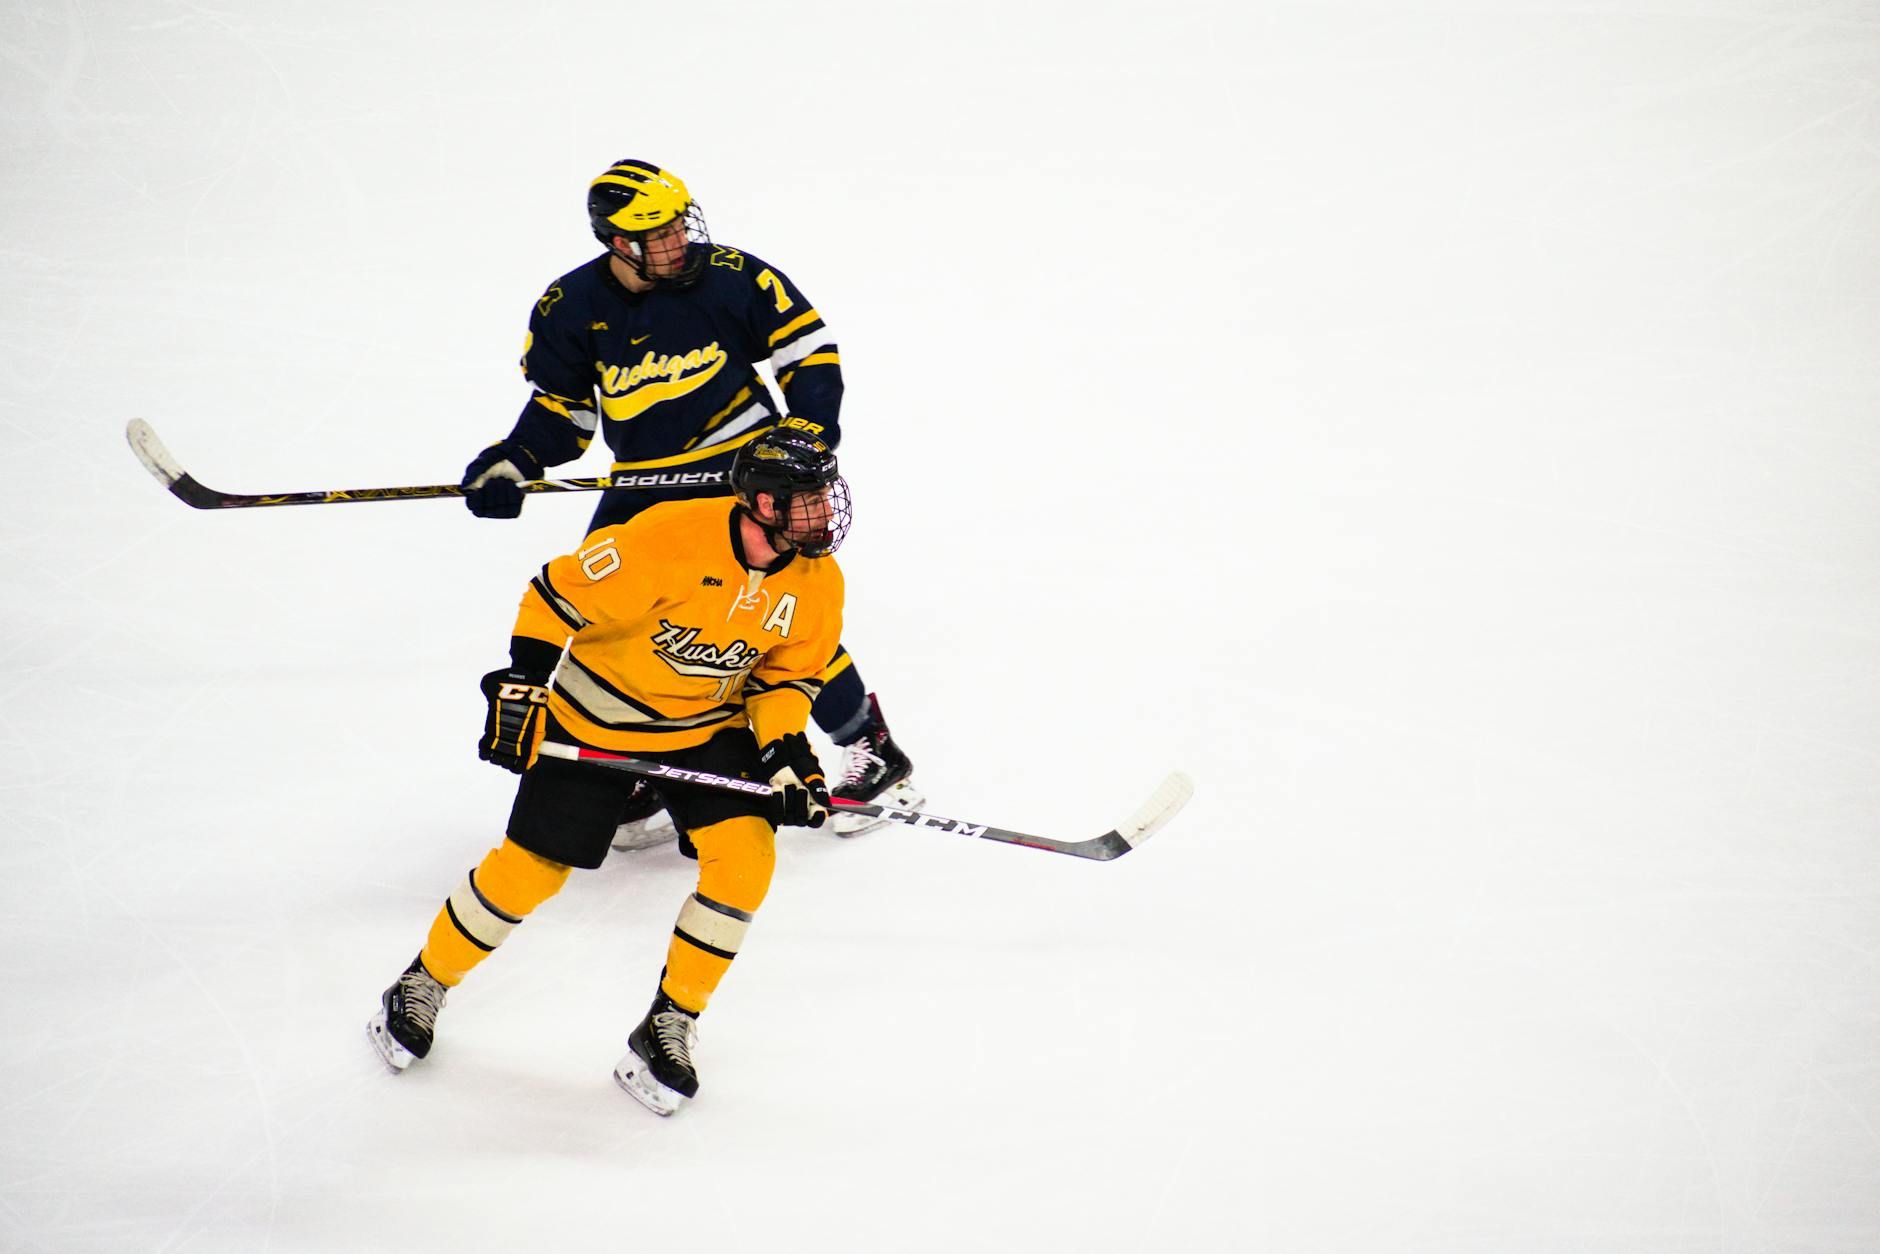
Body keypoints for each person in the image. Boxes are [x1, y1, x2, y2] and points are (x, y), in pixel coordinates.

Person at [369, 429, 851, 1115]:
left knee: (746, 861)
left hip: (704, 729)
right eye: (809, 499)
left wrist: (785, 754)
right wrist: (525, 681)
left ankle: (669, 1023)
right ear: (764, 503)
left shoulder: (818, 582)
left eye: (825, 496)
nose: (825, 512)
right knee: (531, 871)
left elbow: (786, 678)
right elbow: (552, 596)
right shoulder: (666, 537)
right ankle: (425, 980)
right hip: (597, 718)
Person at [458, 157, 916, 843]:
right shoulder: (570, 307)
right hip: (648, 481)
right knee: (611, 609)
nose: (679, 241)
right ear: (618, 242)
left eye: (679, 225)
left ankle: (869, 746)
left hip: (749, 469)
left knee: (778, 610)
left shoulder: (732, 276)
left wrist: (808, 432)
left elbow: (810, 354)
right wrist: (518, 458)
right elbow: (564, 410)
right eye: (659, 234)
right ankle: (653, 758)